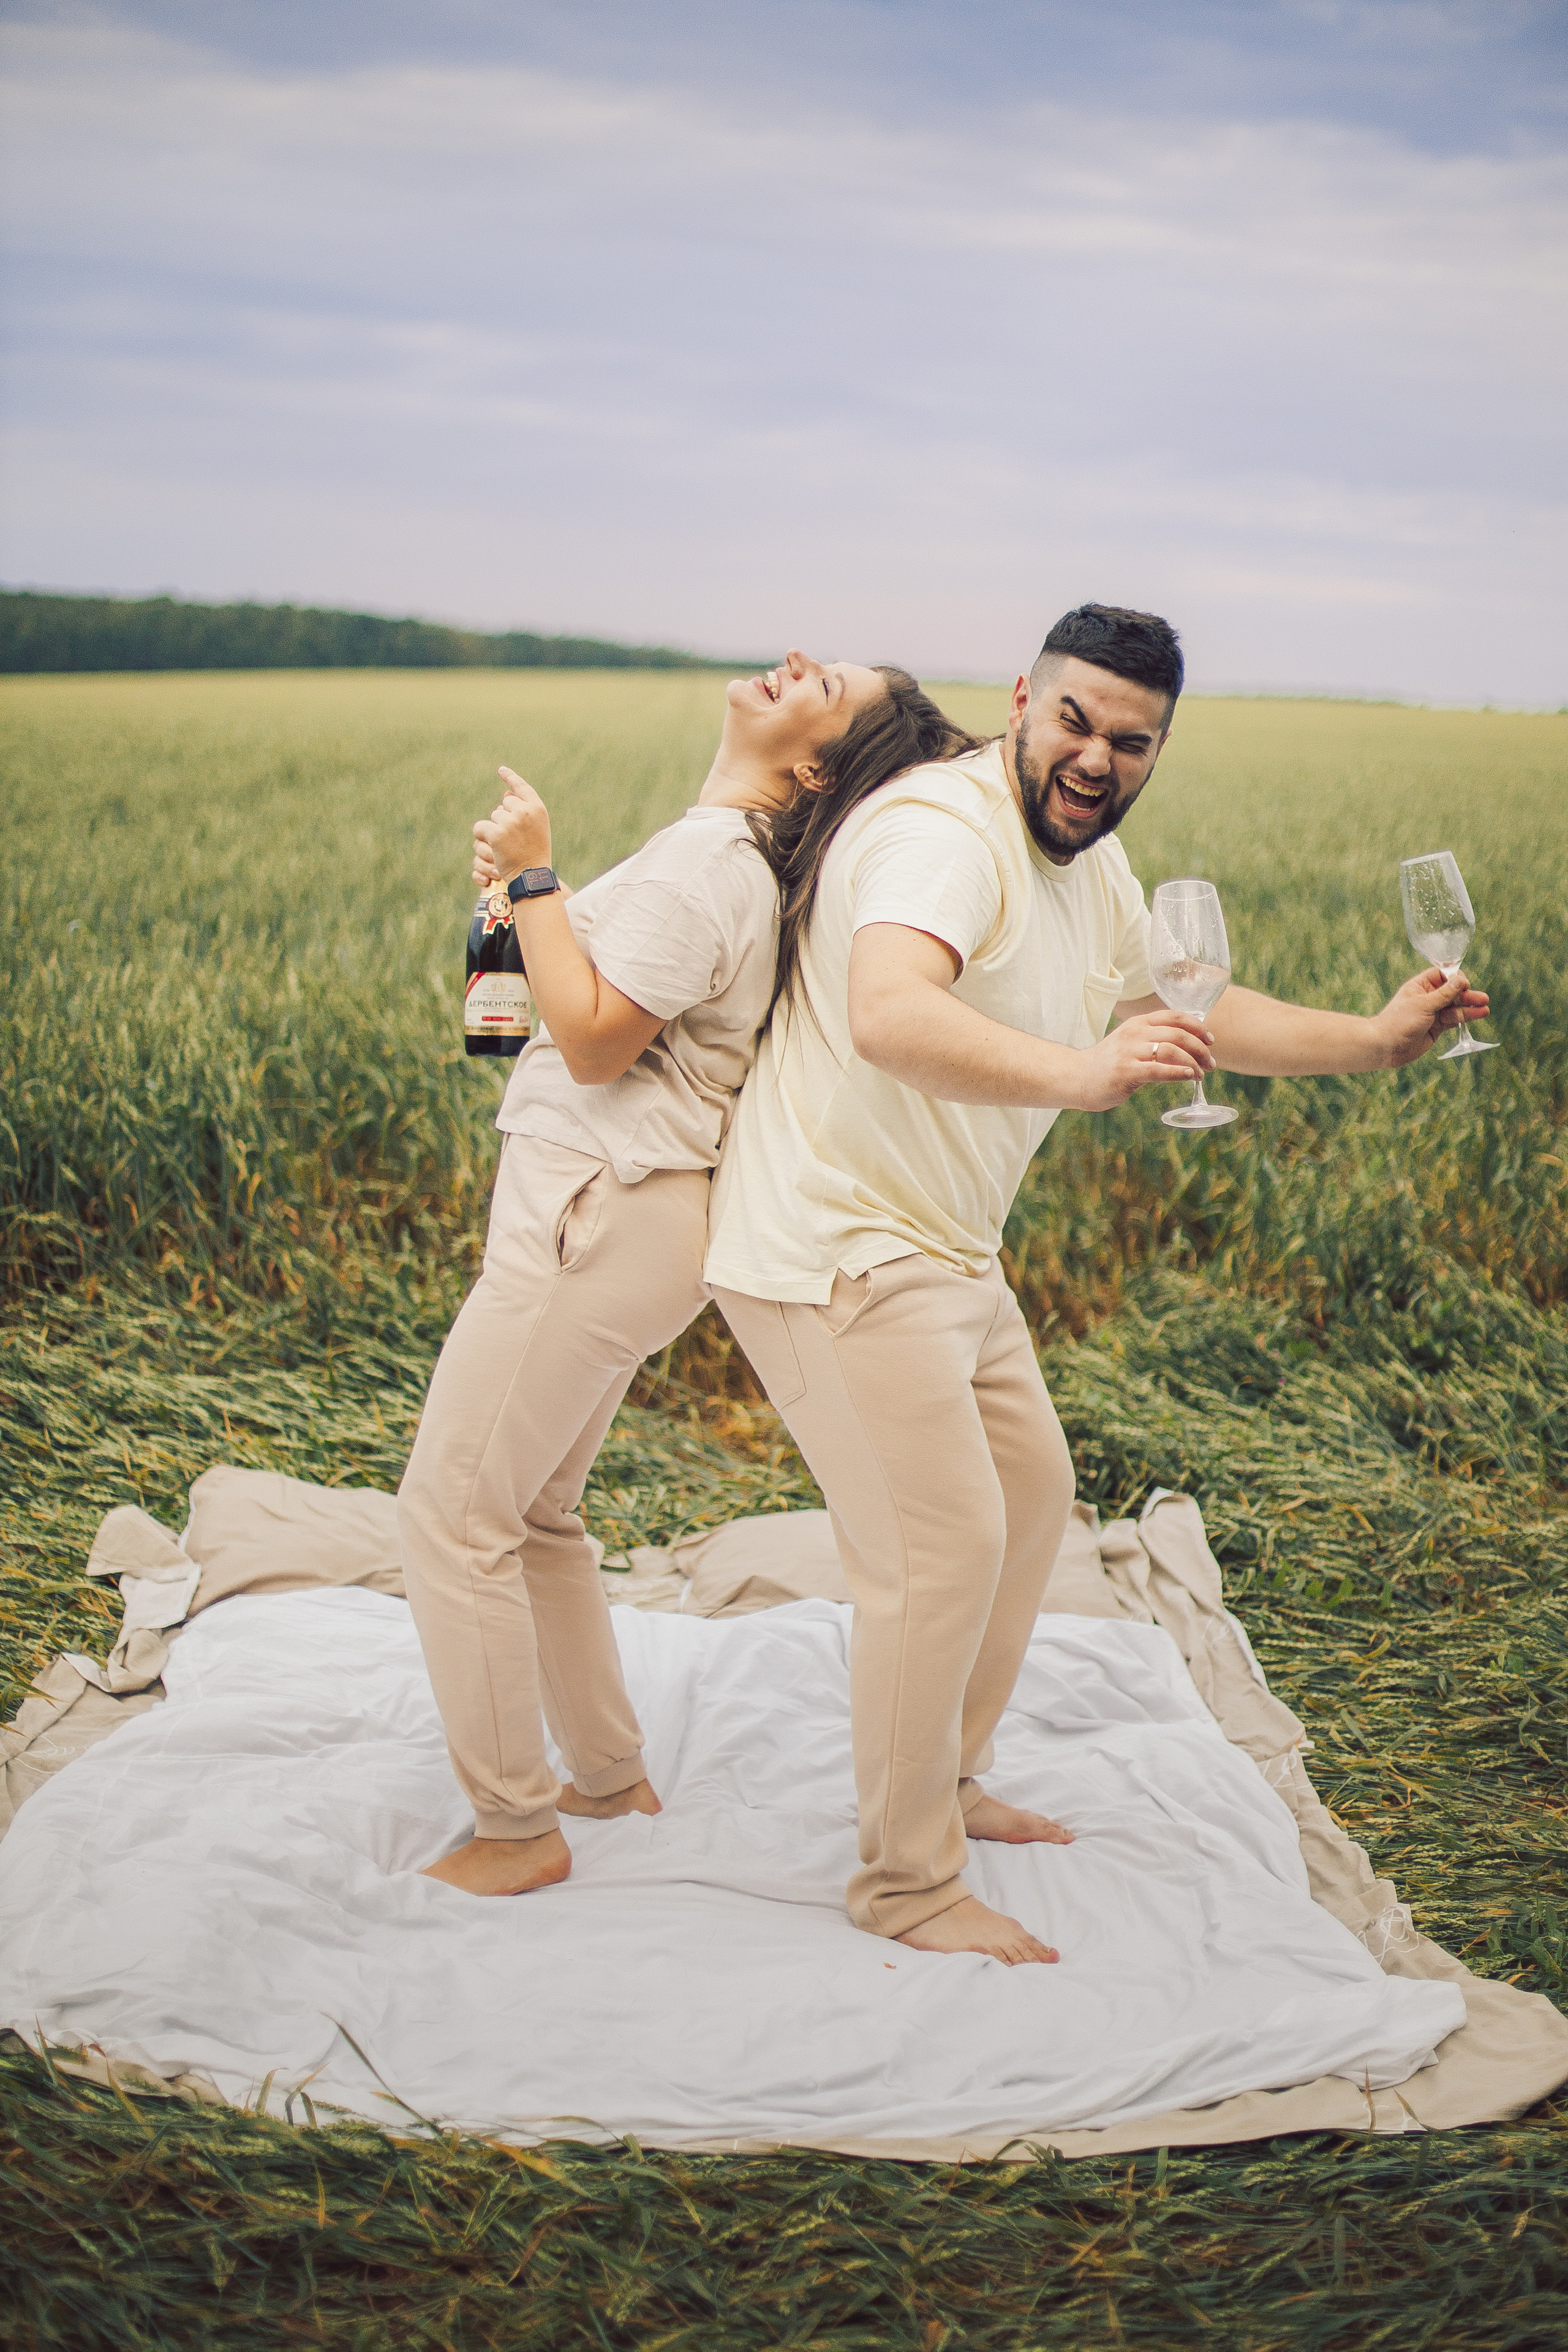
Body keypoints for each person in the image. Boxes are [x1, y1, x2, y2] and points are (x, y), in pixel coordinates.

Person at [707, 602, 1491, 1966]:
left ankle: (946, 1777)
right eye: (1074, 721)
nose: (1095, 758)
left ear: (1156, 750)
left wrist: (1373, 1041)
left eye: (1131, 742)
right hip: (833, 1244)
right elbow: (890, 1011)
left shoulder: (1089, 861)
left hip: (947, 1243)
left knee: (1030, 1501)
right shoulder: (945, 836)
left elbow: (1191, 1006)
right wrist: (1086, 1074)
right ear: (1023, 700)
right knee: (938, 1553)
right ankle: (904, 1883)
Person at [400, 647, 908, 1897]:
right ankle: (607, 1772)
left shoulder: (711, 863)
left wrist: (536, 874)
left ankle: (515, 1832)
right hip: (631, 1214)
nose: (795, 661)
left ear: (810, 771)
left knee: (453, 1514)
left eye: (824, 687)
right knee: (535, 1512)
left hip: (596, 1208)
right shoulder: (728, 860)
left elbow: (591, 1044)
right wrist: (527, 900)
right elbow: (579, 996)